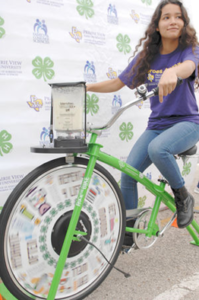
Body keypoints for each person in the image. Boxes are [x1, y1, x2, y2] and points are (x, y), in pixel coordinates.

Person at [86, 0, 199, 243]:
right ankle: (129, 232)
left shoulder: (188, 51)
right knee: (128, 174)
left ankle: (182, 195)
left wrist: (172, 71)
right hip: (157, 125)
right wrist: (86, 87)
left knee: (158, 149)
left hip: (188, 123)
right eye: (166, 17)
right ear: (157, 26)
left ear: (184, 23)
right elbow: (117, 83)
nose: (172, 21)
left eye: (178, 17)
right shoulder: (147, 57)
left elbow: (189, 67)